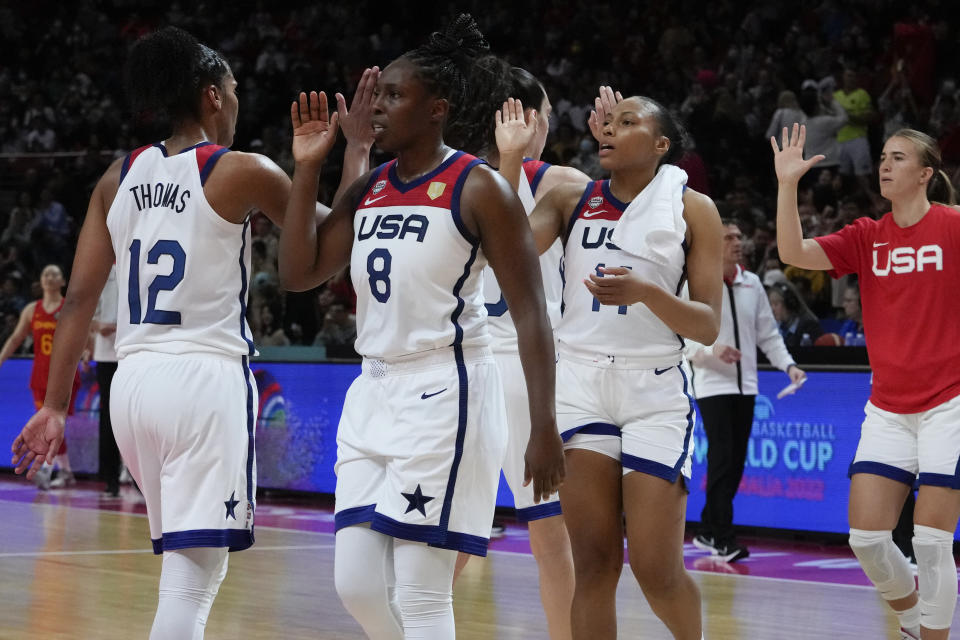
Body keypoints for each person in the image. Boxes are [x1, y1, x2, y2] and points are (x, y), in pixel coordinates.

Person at [9, 27, 375, 639]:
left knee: (183, 575)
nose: (236, 103)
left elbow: (76, 300)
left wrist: (53, 405)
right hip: (204, 382)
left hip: (134, 387)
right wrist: (355, 152)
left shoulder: (116, 177)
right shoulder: (241, 170)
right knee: (192, 583)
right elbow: (329, 246)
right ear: (211, 96)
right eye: (232, 92)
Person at [278, 14, 564, 638]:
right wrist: (307, 168)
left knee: (422, 588)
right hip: (373, 390)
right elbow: (297, 273)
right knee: (354, 583)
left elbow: (532, 314)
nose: (376, 109)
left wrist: (543, 425)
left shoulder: (479, 187)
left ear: (437, 108)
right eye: (377, 96)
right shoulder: (370, 188)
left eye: (394, 96)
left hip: (448, 390)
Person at [517, 92, 723, 639]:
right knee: (594, 566)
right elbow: (505, 249)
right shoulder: (569, 198)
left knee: (656, 570)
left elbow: (706, 324)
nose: (608, 130)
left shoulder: (694, 209)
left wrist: (647, 292)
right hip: (580, 383)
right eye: (606, 123)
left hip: (654, 389)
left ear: (661, 145)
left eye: (626, 123)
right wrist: (511, 161)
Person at [772, 123, 960, 640]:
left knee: (932, 543)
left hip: (951, 403)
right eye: (882, 156)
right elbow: (792, 252)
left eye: (898, 158)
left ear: (925, 173)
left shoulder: (953, 226)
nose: (885, 164)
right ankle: (910, 621)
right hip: (889, 408)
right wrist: (787, 183)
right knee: (868, 538)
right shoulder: (866, 236)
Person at [451, 59, 588, 640]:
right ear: (526, 118)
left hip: (481, 368)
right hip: (521, 368)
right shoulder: (557, 182)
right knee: (546, 537)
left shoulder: (454, 179)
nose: (552, 124)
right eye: (549, 113)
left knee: (458, 532)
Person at [686, 220, 806, 562]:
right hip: (712, 385)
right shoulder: (697, 281)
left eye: (739, 236)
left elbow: (768, 334)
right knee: (723, 458)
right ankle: (723, 537)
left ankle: (708, 529)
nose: (737, 242)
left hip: (746, 386)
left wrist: (789, 366)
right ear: (713, 242)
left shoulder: (752, 283)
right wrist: (713, 351)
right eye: (728, 237)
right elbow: (683, 338)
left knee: (735, 463)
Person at [0, 264, 80, 489]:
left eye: (54, 273)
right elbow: (16, 339)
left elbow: (86, 337)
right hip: (40, 375)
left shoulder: (69, 308)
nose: (49, 277)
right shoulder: (31, 310)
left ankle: (48, 471)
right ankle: (65, 471)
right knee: (49, 425)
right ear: (40, 281)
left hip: (64, 376)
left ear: (63, 281)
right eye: (45, 273)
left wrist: (85, 352)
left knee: (53, 424)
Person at [90, 263, 121, 496]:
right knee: (108, 418)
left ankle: (139, 478)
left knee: (138, 416)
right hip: (105, 354)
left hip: (135, 352)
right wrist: (98, 326)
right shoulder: (99, 269)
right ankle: (110, 478)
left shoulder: (139, 262)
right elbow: (86, 312)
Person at [766, 279, 823, 349]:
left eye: (776, 304)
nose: (772, 309)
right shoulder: (774, 327)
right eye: (770, 304)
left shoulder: (810, 327)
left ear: (790, 304)